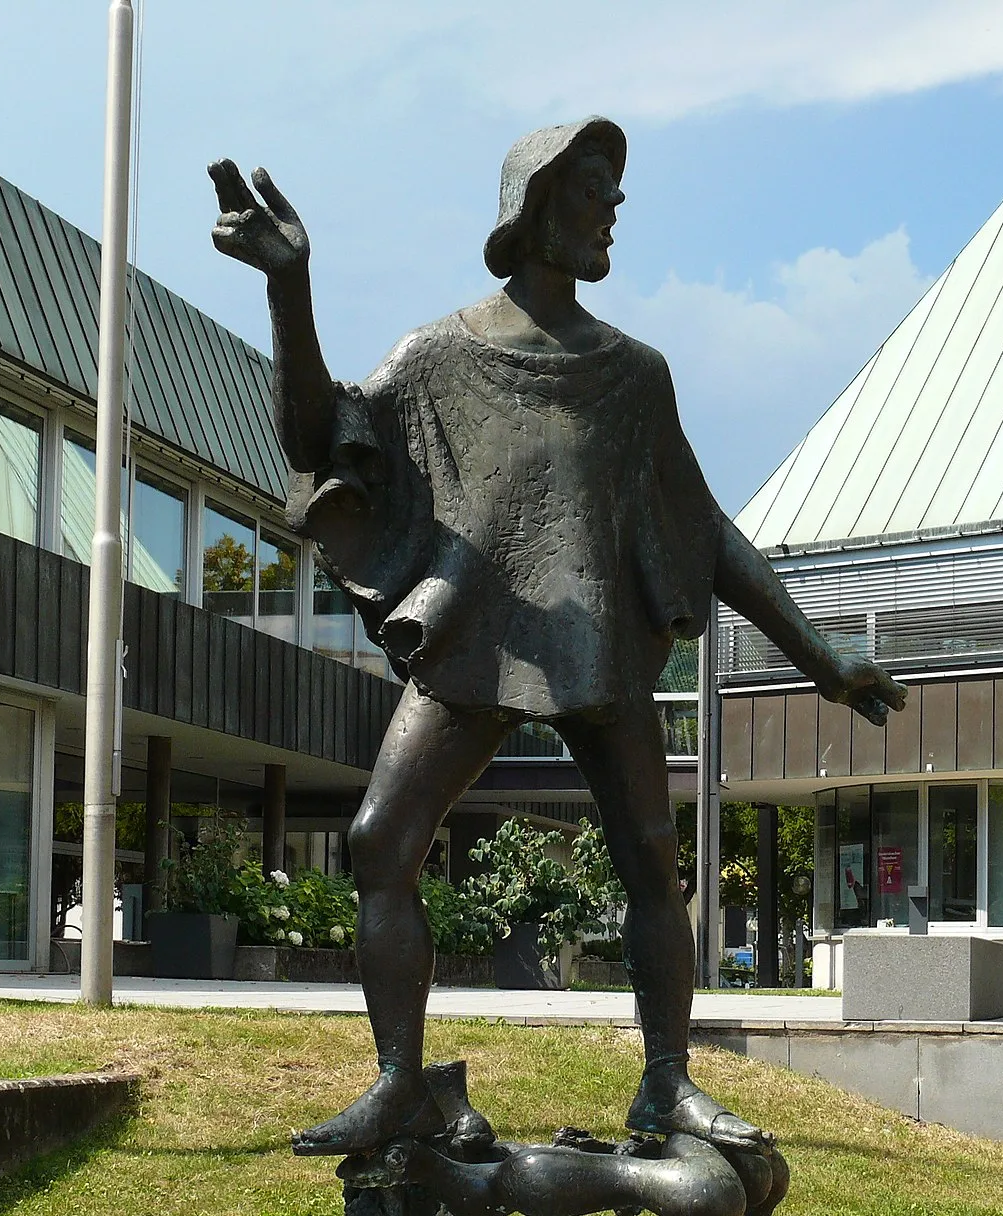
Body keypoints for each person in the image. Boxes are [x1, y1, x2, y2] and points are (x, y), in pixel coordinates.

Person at [210, 119, 905, 1157]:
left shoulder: (633, 375)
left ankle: (665, 1085)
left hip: (602, 650)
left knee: (649, 864)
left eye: (612, 188)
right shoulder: (436, 358)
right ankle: (400, 1081)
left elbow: (702, 528)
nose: (611, 206)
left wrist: (818, 657)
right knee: (377, 845)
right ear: (535, 206)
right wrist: (287, 288)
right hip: (474, 641)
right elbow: (319, 439)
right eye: (592, 186)